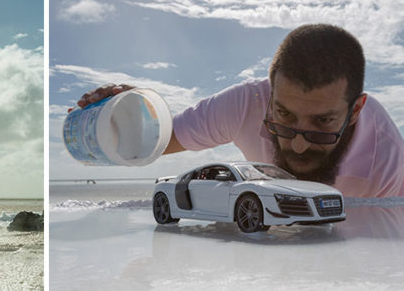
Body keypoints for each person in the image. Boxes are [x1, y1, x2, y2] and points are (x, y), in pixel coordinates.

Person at [73, 24, 404, 198]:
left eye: (323, 122)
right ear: (268, 93)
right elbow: (159, 139)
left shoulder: (384, 156)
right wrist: (126, 114)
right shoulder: (245, 103)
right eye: (284, 115)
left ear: (356, 110)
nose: (299, 145)